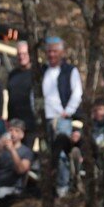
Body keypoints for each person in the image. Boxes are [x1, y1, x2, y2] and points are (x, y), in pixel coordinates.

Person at [41, 37, 82, 195]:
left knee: (62, 154)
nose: (52, 54)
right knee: (47, 154)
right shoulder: (42, 71)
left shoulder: (69, 70)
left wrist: (68, 111)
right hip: (45, 118)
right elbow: (35, 92)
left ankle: (63, 186)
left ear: (62, 52)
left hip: (62, 119)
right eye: (49, 51)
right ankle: (49, 187)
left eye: (55, 51)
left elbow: (77, 92)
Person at [6, 41, 37, 145]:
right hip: (14, 123)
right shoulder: (13, 74)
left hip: (30, 124)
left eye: (24, 53)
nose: (21, 57)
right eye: (19, 54)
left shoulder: (37, 73)